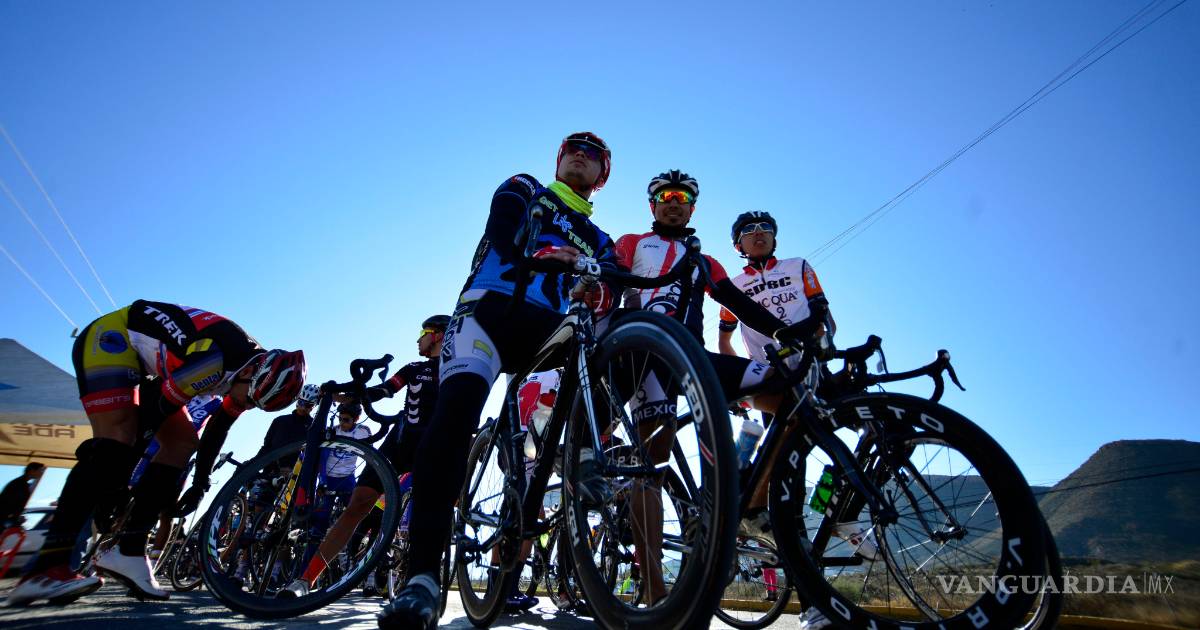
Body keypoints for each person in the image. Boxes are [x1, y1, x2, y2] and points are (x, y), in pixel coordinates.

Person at [379, 133, 619, 630]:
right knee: (453, 420)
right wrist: (548, 253)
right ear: (559, 159)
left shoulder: (601, 240)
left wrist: (600, 290)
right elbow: (502, 228)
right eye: (573, 148)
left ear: (603, 175)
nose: (581, 154)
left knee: (602, 353)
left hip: (546, 330)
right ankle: (421, 580)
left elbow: (611, 288)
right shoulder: (526, 186)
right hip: (488, 313)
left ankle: (582, 456)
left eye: (593, 153)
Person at [3, 300, 306, 607]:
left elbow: (216, 431)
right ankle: (44, 569)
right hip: (112, 338)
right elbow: (153, 418)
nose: (247, 405)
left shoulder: (249, 378)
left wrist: (200, 483)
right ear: (251, 373)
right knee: (117, 438)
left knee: (182, 444)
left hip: (154, 370)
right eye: (251, 399)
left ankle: (130, 551)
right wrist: (117, 486)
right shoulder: (214, 362)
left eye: (256, 405)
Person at [613, 170, 798, 605]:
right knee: (652, 465)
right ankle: (654, 590)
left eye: (682, 197)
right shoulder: (632, 242)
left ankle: (751, 501)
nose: (673, 202)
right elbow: (609, 283)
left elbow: (739, 303)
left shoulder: (704, 259)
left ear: (692, 208)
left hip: (695, 360)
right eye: (665, 196)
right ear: (653, 205)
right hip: (646, 356)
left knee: (789, 396)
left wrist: (787, 334)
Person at [715, 211, 875, 630]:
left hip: (815, 370)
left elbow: (822, 313)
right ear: (738, 245)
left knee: (871, 432)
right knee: (789, 494)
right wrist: (743, 388)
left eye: (765, 229)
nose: (758, 235)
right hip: (776, 384)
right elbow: (724, 337)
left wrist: (813, 340)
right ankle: (812, 604)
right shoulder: (735, 284)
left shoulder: (798, 266)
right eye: (748, 232)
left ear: (775, 237)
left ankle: (843, 511)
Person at [279, 315, 450, 599]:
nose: (418, 340)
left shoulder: (456, 367)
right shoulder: (413, 367)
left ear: (439, 335)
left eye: (423, 333)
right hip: (400, 442)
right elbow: (385, 389)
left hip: (434, 444)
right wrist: (345, 395)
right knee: (357, 504)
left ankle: (420, 583)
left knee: (428, 511)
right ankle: (305, 580)